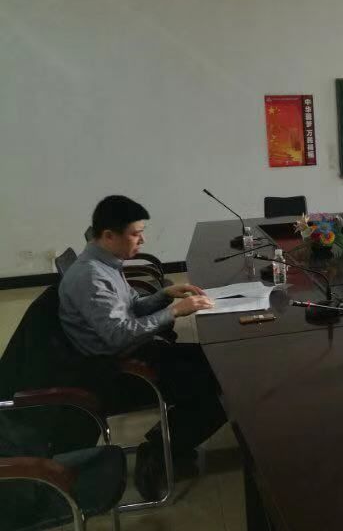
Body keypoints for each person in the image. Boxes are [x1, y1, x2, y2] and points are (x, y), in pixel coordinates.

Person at [59, 195, 227, 500]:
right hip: (115, 370)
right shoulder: (91, 277)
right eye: (135, 234)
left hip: (132, 351)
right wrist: (174, 311)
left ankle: (173, 444)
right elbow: (118, 336)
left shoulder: (105, 262)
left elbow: (131, 307)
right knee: (223, 383)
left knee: (220, 364)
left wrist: (164, 296)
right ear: (109, 235)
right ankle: (158, 453)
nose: (143, 240)